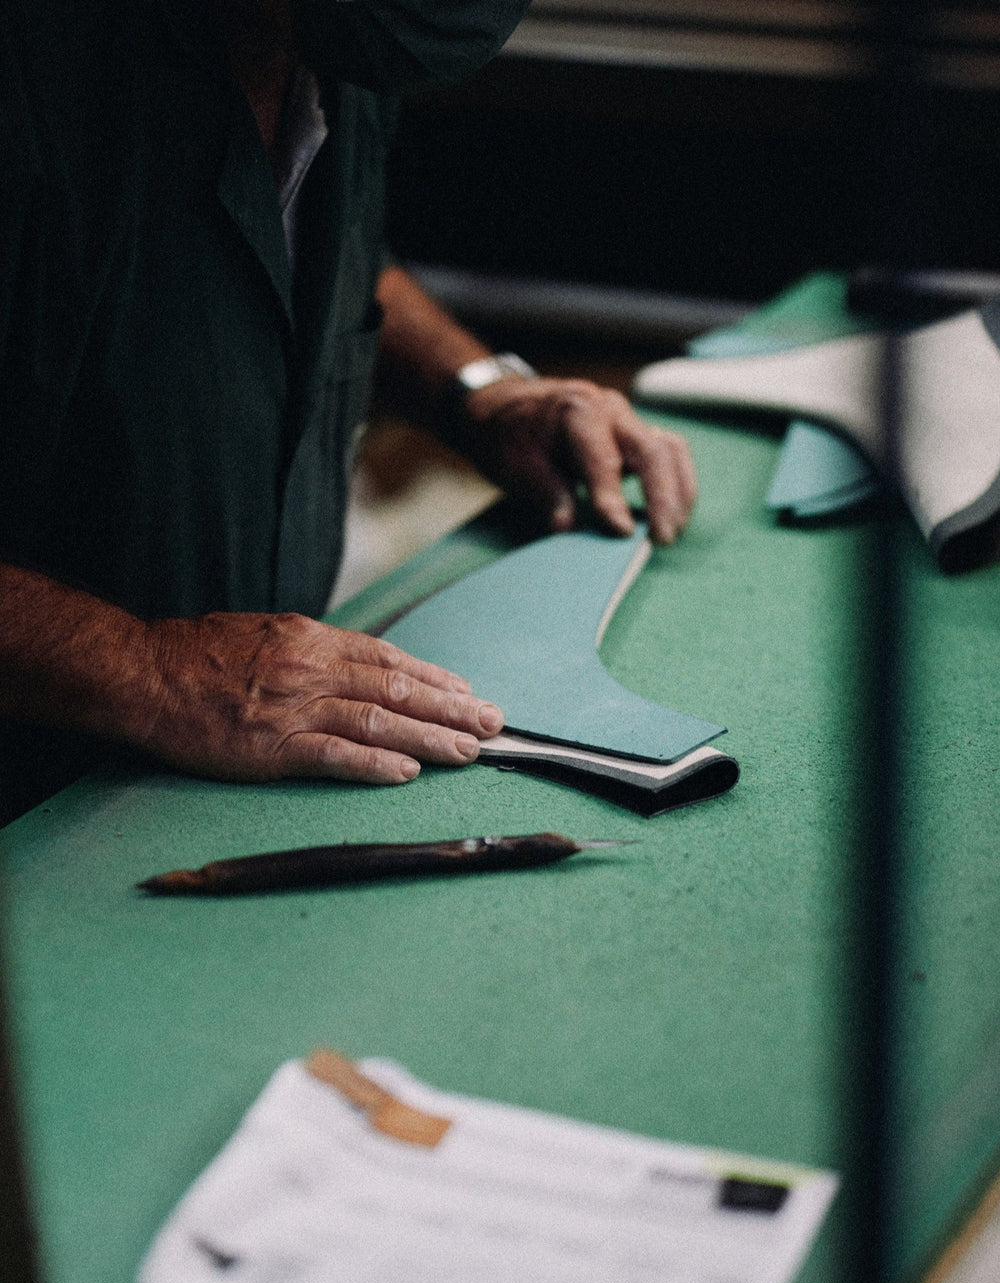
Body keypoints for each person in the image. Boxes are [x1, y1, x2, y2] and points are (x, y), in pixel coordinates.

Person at [0, 0, 696, 824]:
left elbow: (319, 259)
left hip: (226, 789)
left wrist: (481, 392)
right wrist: (149, 674)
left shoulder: (337, 46)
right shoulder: (32, 84)